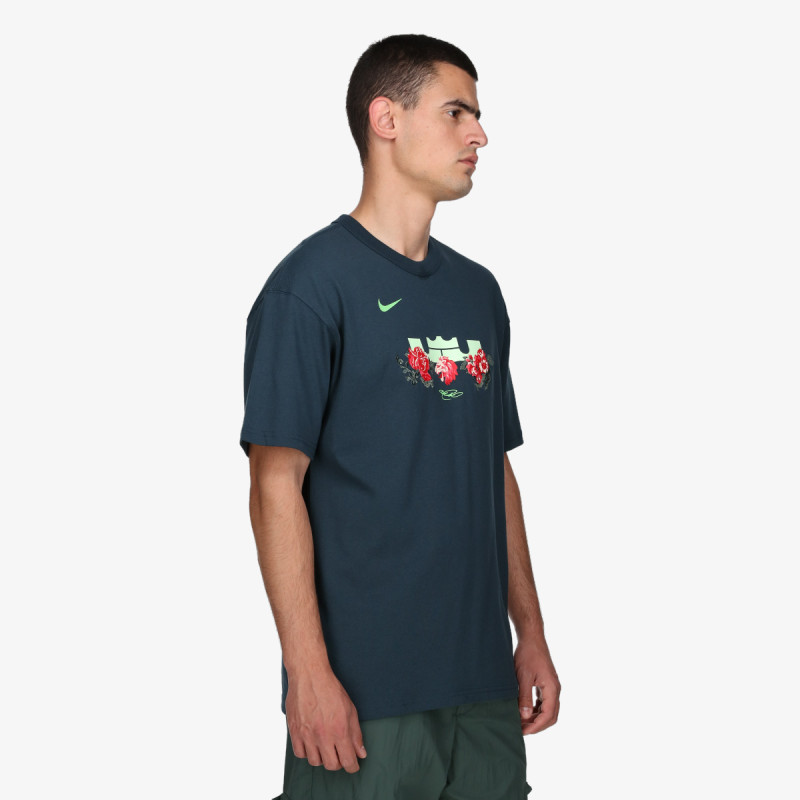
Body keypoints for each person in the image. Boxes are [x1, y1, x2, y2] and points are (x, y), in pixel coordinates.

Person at [240, 33, 560, 799]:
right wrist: (308, 674)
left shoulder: (478, 293)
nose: (479, 135)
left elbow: (493, 470)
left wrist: (531, 632)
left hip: (482, 688)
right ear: (386, 119)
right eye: (456, 112)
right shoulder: (308, 288)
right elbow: (274, 485)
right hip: (365, 697)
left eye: (476, 115)